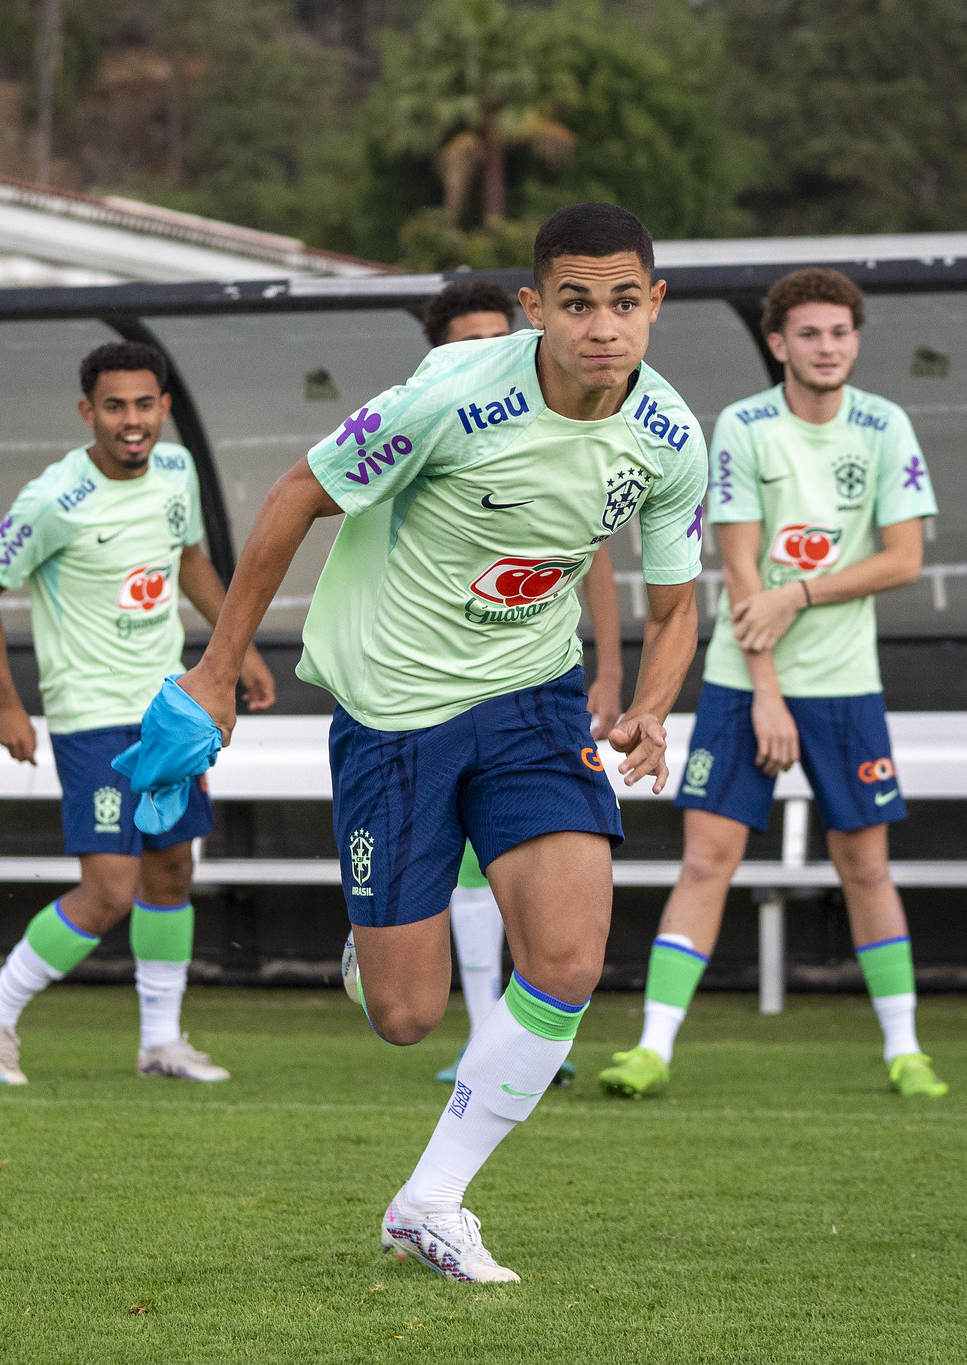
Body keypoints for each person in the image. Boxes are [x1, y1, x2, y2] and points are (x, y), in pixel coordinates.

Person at [126, 204, 706, 1282]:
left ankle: (431, 1198)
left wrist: (653, 706)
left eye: (624, 302)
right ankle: (374, 942)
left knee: (571, 957)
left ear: (654, 304)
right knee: (405, 1014)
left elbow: (675, 608)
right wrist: (215, 669)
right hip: (393, 712)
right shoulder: (451, 391)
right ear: (534, 308)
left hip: (534, 695)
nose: (602, 326)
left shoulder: (670, 436)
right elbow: (298, 494)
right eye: (576, 303)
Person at [596, 267, 950, 1101]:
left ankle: (904, 1049)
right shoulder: (746, 427)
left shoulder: (885, 424)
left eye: (839, 333)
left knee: (865, 865)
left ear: (854, 341)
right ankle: (651, 1049)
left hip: (845, 686)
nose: (826, 347)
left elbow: (903, 558)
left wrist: (801, 592)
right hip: (740, 685)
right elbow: (740, 567)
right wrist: (765, 691)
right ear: (777, 343)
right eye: (809, 334)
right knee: (705, 861)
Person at [0, 341, 276, 1087]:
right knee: (108, 889)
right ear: (86, 412)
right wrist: (8, 704)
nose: (131, 421)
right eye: (113, 406)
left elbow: (189, 557)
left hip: (171, 709)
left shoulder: (176, 469)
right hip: (90, 714)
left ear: (163, 407)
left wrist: (236, 647)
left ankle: (160, 1041)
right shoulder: (51, 500)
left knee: (171, 870)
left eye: (143, 404)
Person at [418, 280, 623, 1089]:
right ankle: (395, 948)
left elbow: (593, 549)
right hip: (422, 691)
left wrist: (610, 666)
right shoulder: (421, 423)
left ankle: (496, 1035)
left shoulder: (557, 425)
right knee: (407, 988)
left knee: (506, 867)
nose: (489, 354)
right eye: (469, 342)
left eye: (498, 337)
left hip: (525, 686)